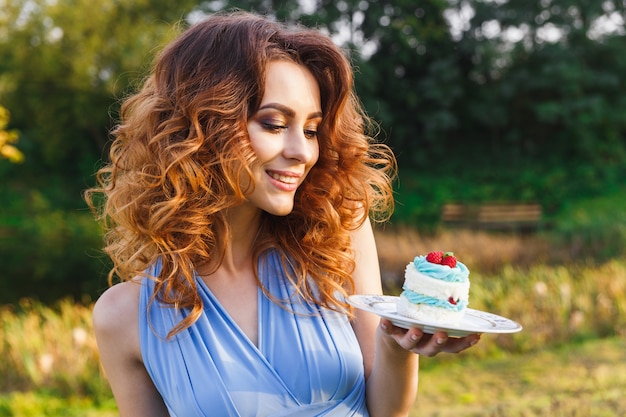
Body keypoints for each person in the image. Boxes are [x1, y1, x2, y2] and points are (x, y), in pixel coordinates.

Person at [86, 11, 480, 417]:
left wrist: (395, 345)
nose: (304, 151)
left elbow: (386, 411)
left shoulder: (338, 237)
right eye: (274, 124)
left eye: (311, 130)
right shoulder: (124, 316)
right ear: (199, 129)